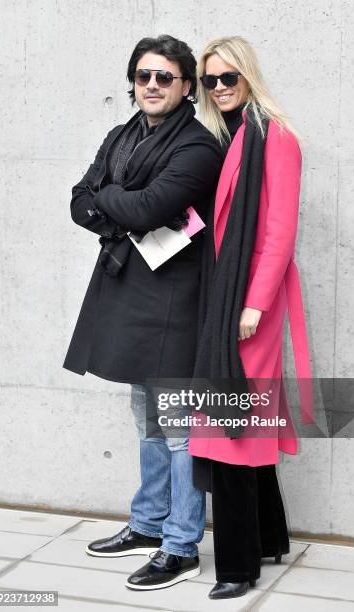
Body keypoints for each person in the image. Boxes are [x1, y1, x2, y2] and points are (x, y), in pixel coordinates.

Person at [62, 35, 222, 590]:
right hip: (131, 285)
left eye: (165, 77)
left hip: (177, 296)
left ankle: (181, 546)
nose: (151, 85)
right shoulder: (121, 135)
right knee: (147, 420)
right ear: (133, 82)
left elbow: (152, 206)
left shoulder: (198, 147)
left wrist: (109, 199)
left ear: (186, 87)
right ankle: (149, 523)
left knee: (178, 427)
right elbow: (80, 198)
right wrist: (115, 205)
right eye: (143, 76)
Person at [188, 36, 313, 599]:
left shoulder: (276, 137)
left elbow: (279, 230)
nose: (219, 88)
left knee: (230, 425)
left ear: (248, 77)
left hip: (248, 303)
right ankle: (268, 538)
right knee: (246, 417)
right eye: (210, 80)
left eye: (228, 78)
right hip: (224, 296)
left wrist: (255, 303)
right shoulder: (229, 135)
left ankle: (237, 566)